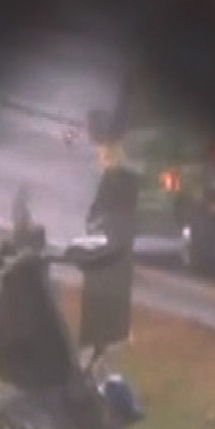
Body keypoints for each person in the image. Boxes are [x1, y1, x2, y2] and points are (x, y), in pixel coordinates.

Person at [77, 142, 142, 368]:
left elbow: (99, 215)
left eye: (101, 157)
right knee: (119, 296)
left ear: (108, 158)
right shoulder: (131, 182)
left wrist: (91, 233)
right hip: (121, 253)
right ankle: (117, 335)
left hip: (105, 252)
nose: (98, 161)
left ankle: (97, 349)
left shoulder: (110, 182)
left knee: (99, 302)